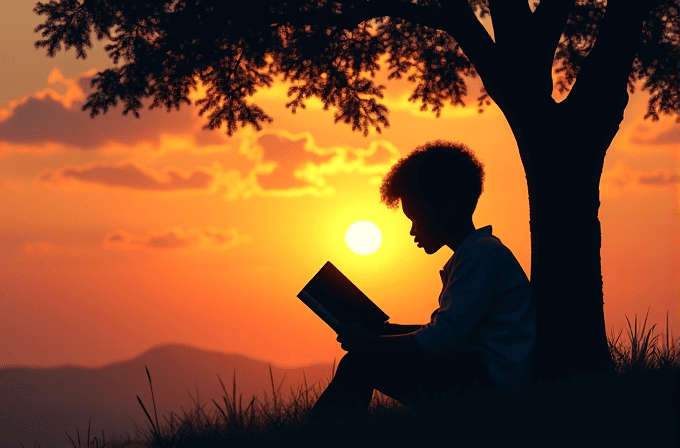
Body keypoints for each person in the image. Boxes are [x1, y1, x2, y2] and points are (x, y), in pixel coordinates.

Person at [309, 140, 536, 420]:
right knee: (363, 357)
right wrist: (384, 331)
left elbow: (441, 339)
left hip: (489, 389)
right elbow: (445, 331)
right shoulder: (475, 255)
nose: (412, 230)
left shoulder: (482, 255)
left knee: (361, 361)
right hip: (478, 376)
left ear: (448, 206)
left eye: (415, 218)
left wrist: (372, 342)